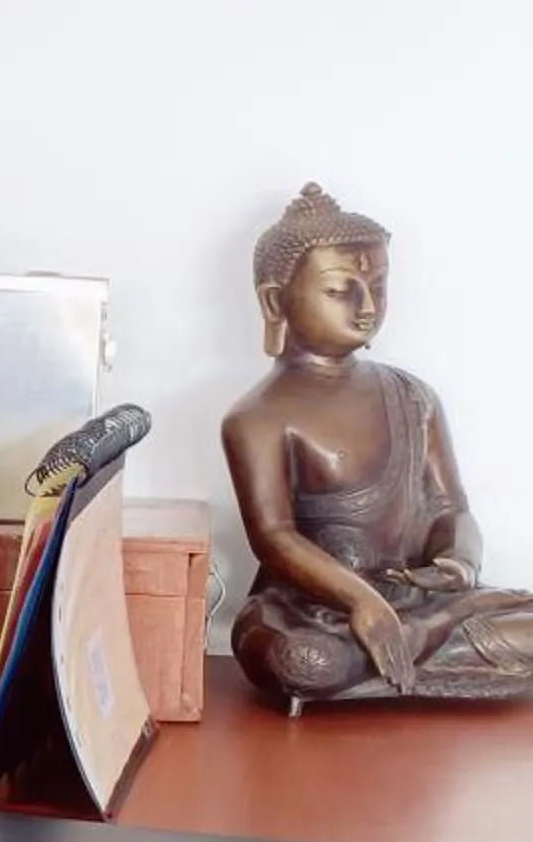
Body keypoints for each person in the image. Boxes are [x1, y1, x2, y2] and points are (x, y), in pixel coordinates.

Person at [221, 183, 533, 707]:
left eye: (379, 287)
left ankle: (423, 634)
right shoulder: (256, 417)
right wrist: (362, 601)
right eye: (341, 291)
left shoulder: (414, 396)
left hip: (414, 599)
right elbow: (274, 538)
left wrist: (458, 561)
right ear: (276, 301)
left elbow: (450, 507)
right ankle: (426, 642)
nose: (367, 308)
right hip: (315, 610)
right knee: (303, 660)